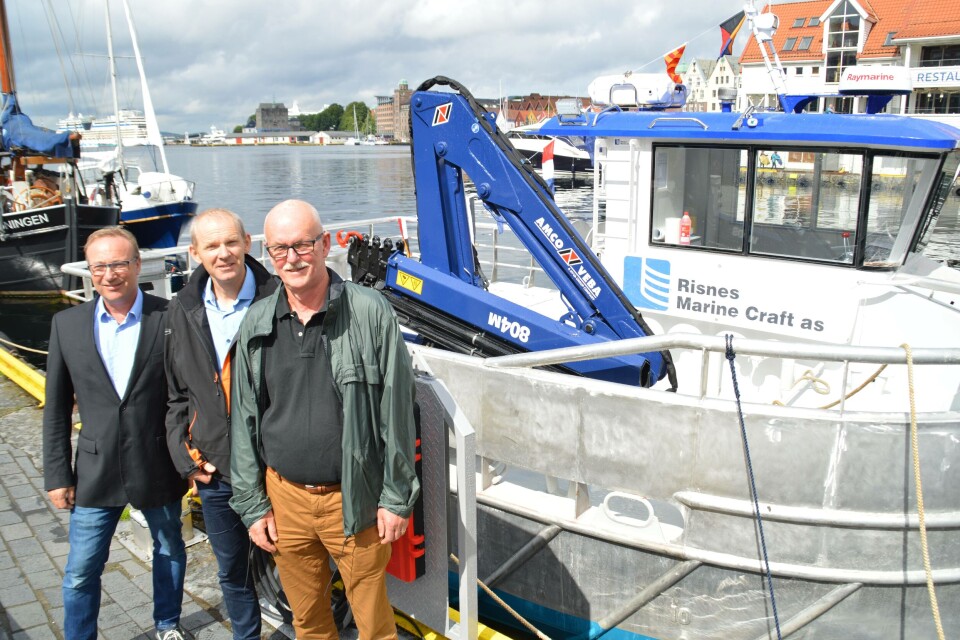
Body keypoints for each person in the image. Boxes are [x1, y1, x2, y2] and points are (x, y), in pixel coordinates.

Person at [229, 199, 420, 639]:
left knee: (374, 623)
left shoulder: (369, 311)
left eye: (302, 244)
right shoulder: (258, 320)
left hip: (354, 498)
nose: (292, 258)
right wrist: (253, 505)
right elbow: (244, 419)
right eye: (280, 249)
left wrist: (396, 497)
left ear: (326, 243)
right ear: (267, 254)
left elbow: (396, 408)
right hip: (286, 499)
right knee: (309, 621)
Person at [42, 227, 188, 640]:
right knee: (80, 570)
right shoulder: (66, 325)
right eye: (99, 266)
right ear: (90, 272)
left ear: (137, 265)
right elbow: (54, 409)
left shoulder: (169, 316)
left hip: (156, 462)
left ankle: (168, 624)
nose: (110, 274)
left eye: (119, 263)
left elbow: (184, 394)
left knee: (169, 548)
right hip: (94, 469)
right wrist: (57, 476)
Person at [164, 208, 277, 640]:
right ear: (195, 253)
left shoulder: (279, 296)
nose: (224, 253)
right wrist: (185, 458)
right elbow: (176, 394)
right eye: (211, 245)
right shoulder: (183, 311)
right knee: (232, 571)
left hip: (276, 469)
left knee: (301, 567)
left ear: (248, 242)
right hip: (217, 473)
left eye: (231, 242)